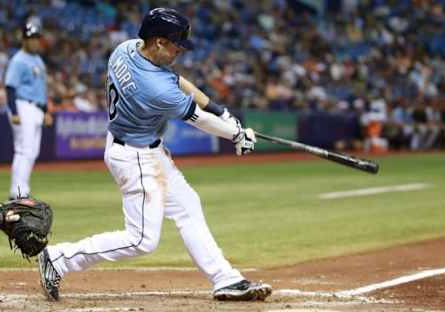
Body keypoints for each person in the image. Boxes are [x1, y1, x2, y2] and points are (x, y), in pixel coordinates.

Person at [38, 8, 272, 302]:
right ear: (159, 42)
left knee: (188, 206)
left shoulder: (125, 49)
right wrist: (235, 134)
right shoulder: (154, 88)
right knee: (141, 240)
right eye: (176, 44)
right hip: (134, 157)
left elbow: (179, 81)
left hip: (142, 148)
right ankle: (60, 257)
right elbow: (197, 119)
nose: (180, 50)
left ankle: (224, 278)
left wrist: (221, 111)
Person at [5, 20, 53, 200]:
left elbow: (41, 89)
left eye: (37, 38)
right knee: (24, 150)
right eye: (31, 38)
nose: (35, 41)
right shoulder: (18, 60)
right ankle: (17, 192)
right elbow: (10, 87)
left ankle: (22, 189)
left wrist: (46, 110)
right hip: (22, 106)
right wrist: (14, 112)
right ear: (24, 40)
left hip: (37, 108)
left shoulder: (37, 59)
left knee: (32, 151)